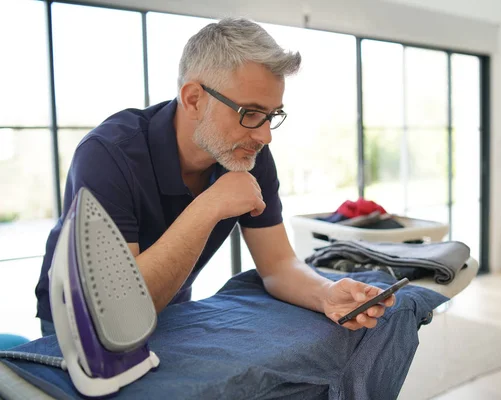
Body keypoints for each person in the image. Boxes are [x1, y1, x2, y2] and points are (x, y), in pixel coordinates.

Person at [34, 17, 395, 337]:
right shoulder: (107, 155)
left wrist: (326, 294)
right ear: (193, 99)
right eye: (250, 112)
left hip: (169, 308)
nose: (265, 135)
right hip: (77, 323)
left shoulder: (247, 150)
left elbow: (278, 265)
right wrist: (210, 205)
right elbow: (120, 311)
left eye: (272, 115)